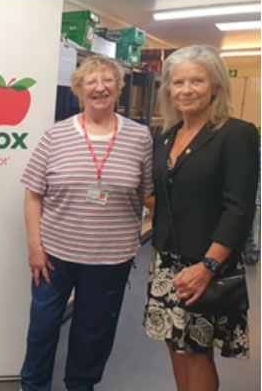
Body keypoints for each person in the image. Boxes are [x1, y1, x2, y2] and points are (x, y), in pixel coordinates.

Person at [19, 55, 153, 391]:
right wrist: (35, 247)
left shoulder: (140, 138)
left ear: (118, 88)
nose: (99, 87)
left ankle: (81, 386)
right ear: (78, 90)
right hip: (54, 255)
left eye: (107, 80)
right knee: (43, 327)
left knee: (94, 332)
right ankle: (33, 386)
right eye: (90, 81)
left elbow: (149, 195)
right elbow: (33, 194)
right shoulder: (56, 135)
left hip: (111, 257)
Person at [144, 45, 258, 391]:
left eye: (197, 80)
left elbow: (239, 208)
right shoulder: (166, 135)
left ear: (215, 86)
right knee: (173, 344)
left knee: (196, 351)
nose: (186, 89)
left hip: (207, 262)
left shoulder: (235, 133)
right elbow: (162, 194)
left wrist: (207, 266)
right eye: (178, 82)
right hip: (167, 261)